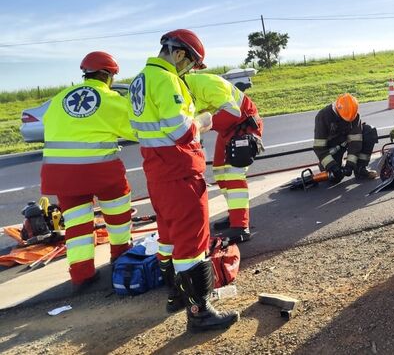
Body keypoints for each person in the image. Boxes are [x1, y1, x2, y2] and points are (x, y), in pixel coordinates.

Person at [128, 29, 238, 332]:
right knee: (192, 241)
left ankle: (176, 296)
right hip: (179, 171)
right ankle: (199, 312)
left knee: (169, 235)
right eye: (190, 64)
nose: (189, 71)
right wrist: (203, 120)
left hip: (157, 169)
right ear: (179, 54)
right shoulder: (166, 80)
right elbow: (181, 132)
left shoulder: (140, 79)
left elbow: (141, 127)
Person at [40, 51, 136, 291]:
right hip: (100, 171)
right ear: (108, 74)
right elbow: (135, 131)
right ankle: (121, 257)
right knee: (117, 215)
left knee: (77, 225)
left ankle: (81, 275)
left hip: (60, 173)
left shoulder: (60, 97)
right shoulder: (111, 98)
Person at [185, 70, 263, 243]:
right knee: (220, 172)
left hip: (245, 127)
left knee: (233, 174)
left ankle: (241, 226)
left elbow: (232, 113)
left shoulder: (206, 83)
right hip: (227, 131)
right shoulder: (185, 92)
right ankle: (234, 214)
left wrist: (201, 126)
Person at [313, 93, 378, 183]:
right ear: (337, 110)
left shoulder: (353, 115)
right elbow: (319, 147)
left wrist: (350, 164)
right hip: (333, 147)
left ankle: (360, 169)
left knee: (368, 131)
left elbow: (355, 141)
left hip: (347, 141)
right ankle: (324, 165)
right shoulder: (323, 117)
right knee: (335, 178)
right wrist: (332, 166)